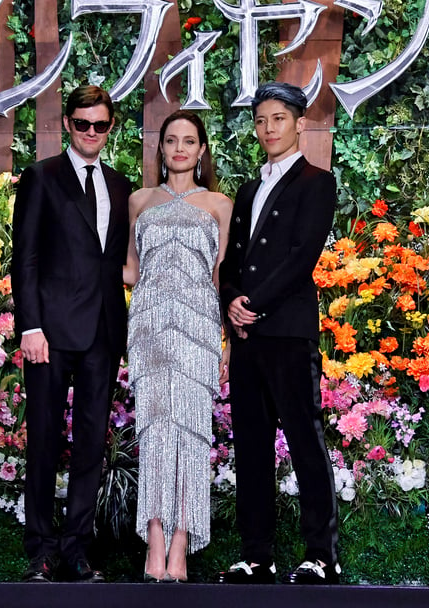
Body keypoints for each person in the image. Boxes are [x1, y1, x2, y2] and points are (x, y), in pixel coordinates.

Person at [217, 82, 340, 585]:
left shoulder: (317, 182)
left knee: (305, 440)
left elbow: (301, 258)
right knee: (250, 446)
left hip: (287, 331)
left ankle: (322, 556)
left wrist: (254, 304)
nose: (269, 129)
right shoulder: (247, 190)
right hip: (247, 339)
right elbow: (233, 260)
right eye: (262, 120)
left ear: (299, 124)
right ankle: (257, 555)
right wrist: (230, 301)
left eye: (279, 119)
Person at [11, 85, 133, 583]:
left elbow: (120, 262)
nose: (90, 133)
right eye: (81, 124)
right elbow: (26, 258)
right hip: (51, 334)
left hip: (103, 332)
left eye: (99, 125)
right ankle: (40, 548)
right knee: (43, 439)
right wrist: (30, 326)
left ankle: (77, 548)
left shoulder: (122, 185)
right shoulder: (42, 176)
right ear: (66, 123)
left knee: (89, 444)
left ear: (110, 128)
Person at [123, 110, 233, 583]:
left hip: (199, 330)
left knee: (190, 435)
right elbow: (129, 270)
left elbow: (221, 277)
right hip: (147, 328)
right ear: (161, 148)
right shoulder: (138, 201)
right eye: (172, 140)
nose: (181, 148)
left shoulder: (219, 204)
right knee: (153, 434)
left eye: (190, 140)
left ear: (202, 149)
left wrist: (227, 340)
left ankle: (181, 543)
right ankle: (153, 540)